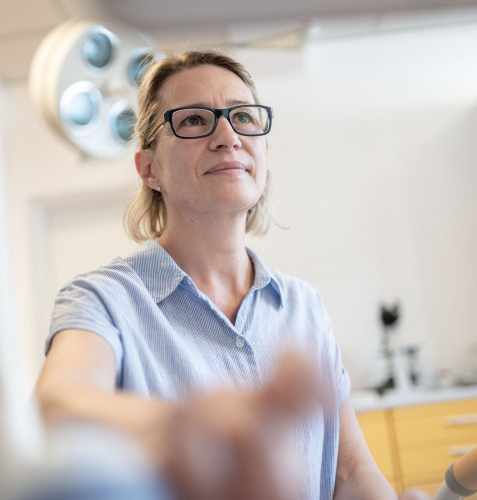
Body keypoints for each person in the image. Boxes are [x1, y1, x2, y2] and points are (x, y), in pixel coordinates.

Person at [35, 50, 430, 500]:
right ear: (149, 169)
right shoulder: (103, 299)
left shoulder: (304, 306)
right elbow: (56, 408)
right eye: (194, 121)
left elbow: (351, 474)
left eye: (243, 116)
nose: (228, 135)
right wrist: (194, 428)